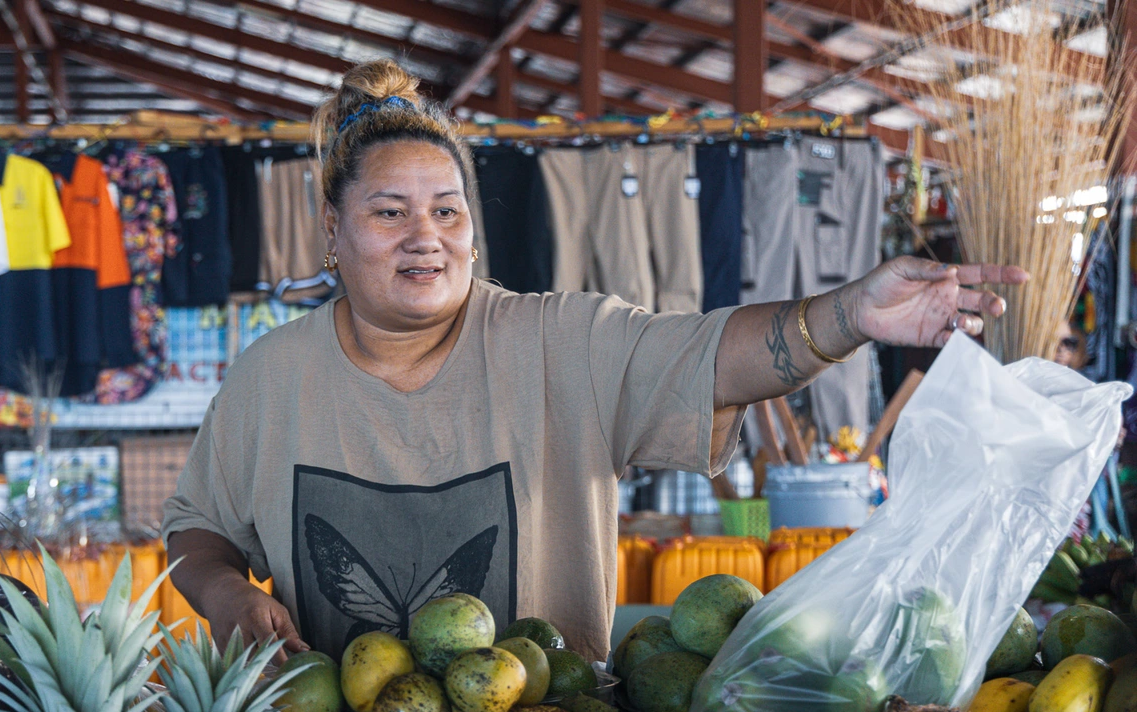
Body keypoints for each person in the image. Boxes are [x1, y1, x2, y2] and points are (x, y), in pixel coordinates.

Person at [162, 60, 1026, 663]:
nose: (426, 236)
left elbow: (717, 358)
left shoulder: (563, 342)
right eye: (390, 212)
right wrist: (226, 593)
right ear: (332, 228)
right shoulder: (271, 379)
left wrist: (851, 314)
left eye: (448, 211)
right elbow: (197, 532)